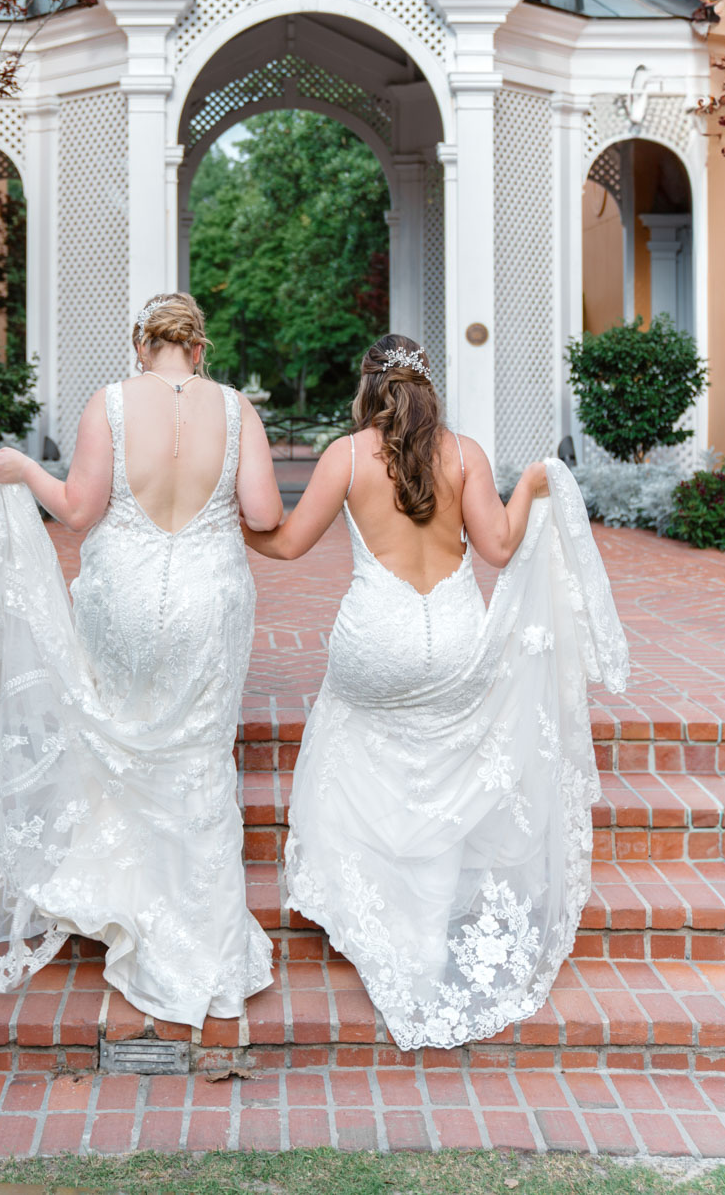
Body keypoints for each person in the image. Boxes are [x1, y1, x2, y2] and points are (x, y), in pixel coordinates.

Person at [0, 292, 282, 1027]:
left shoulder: (111, 403)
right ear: (199, 348)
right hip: (208, 600)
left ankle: (125, 903)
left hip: (122, 598)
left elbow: (78, 509)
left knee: (121, 744)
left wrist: (23, 471)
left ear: (140, 346)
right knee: (195, 761)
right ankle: (206, 944)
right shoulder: (237, 409)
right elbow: (262, 514)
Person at [242, 333, 627, 1051]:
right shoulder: (466, 454)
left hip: (374, 640)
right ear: (429, 386)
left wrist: (229, 530)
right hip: (454, 638)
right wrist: (534, 483)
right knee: (444, 773)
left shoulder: (347, 455)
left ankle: (379, 916)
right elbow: (501, 548)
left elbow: (288, 544)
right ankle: (423, 932)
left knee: (355, 753)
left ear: (366, 389)